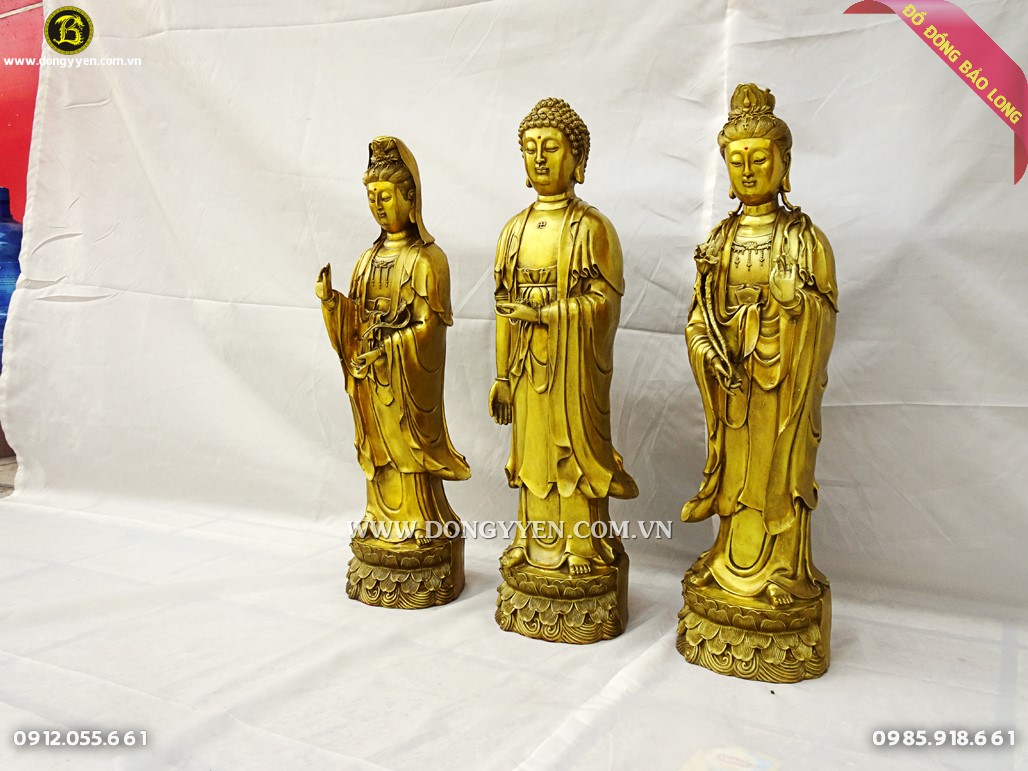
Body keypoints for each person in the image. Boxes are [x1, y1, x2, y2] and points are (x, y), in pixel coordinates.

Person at [681, 84, 837, 608]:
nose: (748, 170)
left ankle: (785, 569)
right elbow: (698, 316)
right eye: (737, 160)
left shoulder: (805, 240)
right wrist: (710, 350)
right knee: (735, 472)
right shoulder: (718, 241)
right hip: (733, 388)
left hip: (781, 388)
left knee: (779, 471)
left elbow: (823, 318)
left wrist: (795, 307)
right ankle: (728, 558)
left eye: (760, 159)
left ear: (783, 164)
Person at [489, 98, 637, 577]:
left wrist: (546, 314)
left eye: (551, 147)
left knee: (568, 453)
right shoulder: (513, 231)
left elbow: (605, 305)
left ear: (578, 158)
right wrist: (501, 377)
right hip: (526, 366)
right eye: (530, 148)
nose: (539, 157)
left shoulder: (592, 228)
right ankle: (531, 542)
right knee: (531, 455)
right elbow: (503, 310)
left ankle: (582, 546)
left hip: (572, 370)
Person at [317, 136, 469, 547]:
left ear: (410, 197)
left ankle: (421, 519)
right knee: (377, 448)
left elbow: (429, 329)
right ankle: (378, 515)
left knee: (406, 445)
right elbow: (355, 320)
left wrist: (387, 349)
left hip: (404, 378)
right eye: (371, 198)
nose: (378, 207)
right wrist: (331, 303)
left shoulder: (428, 259)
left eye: (385, 196)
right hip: (372, 380)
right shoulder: (367, 260)